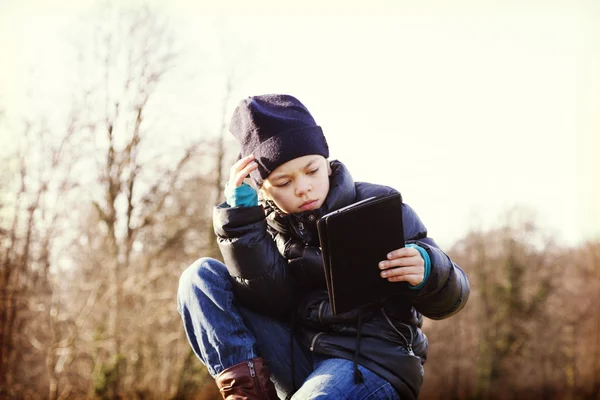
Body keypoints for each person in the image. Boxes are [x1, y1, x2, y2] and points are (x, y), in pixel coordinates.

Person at [177, 94, 470, 400]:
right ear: (262, 187)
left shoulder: (378, 205)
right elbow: (271, 301)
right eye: (283, 182)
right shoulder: (263, 225)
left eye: (312, 171)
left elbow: (454, 296)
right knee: (199, 277)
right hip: (296, 356)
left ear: (327, 163)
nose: (302, 187)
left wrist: (428, 269)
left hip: (371, 363)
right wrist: (241, 222)